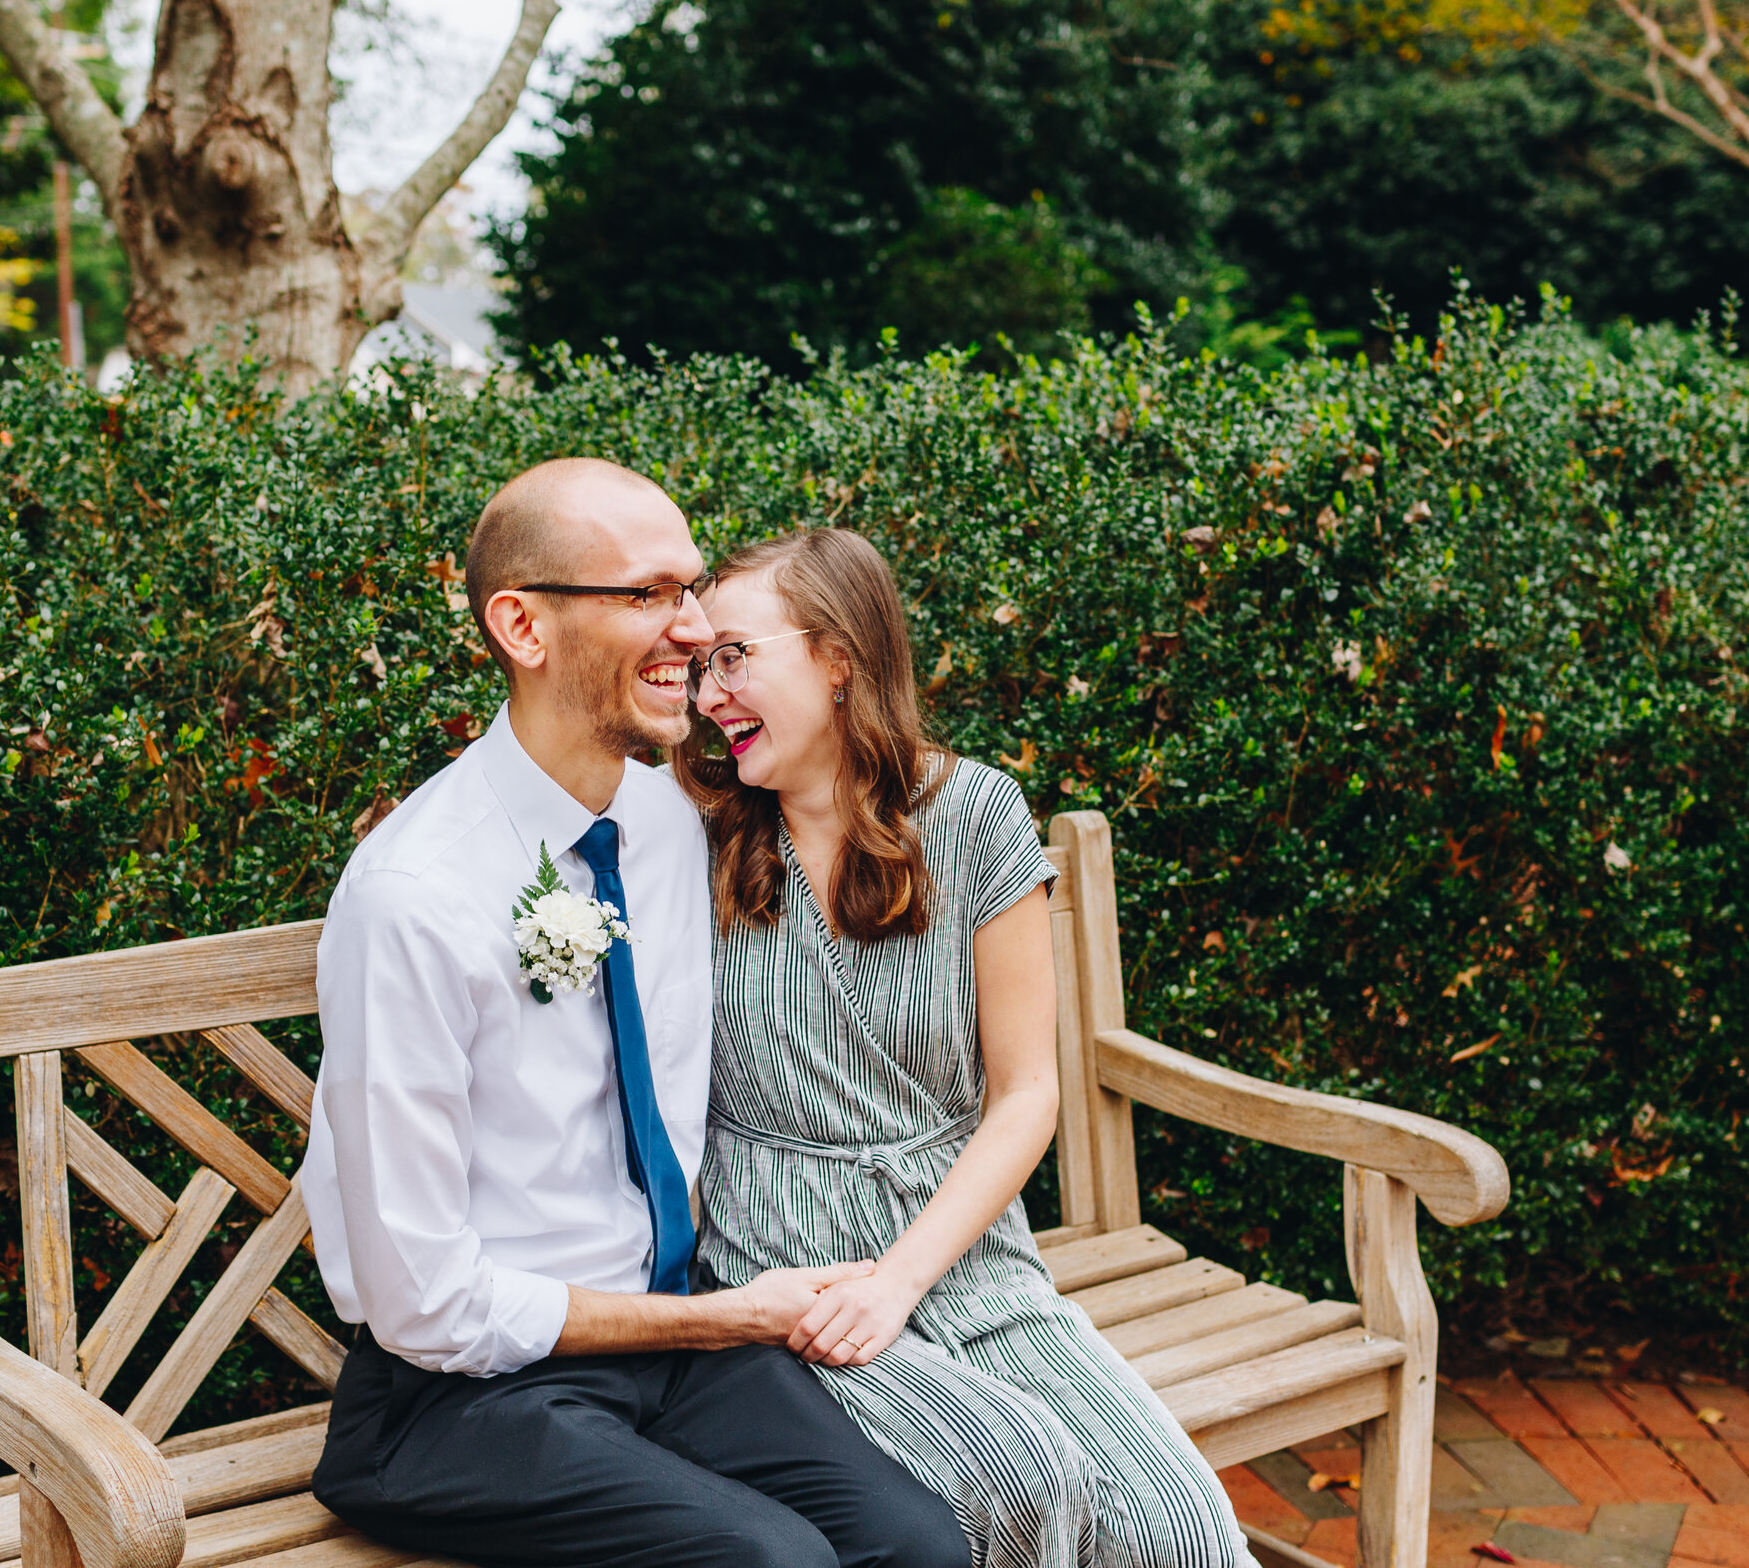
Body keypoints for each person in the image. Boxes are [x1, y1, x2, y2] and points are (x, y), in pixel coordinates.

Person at [298, 463, 968, 1568]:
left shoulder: (665, 824)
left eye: (694, 589)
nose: (697, 629)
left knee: (917, 1546)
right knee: (772, 1563)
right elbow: (424, 1301)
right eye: (651, 594)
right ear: (521, 623)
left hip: (673, 1342)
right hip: (457, 1397)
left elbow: (843, 805)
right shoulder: (411, 896)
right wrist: (727, 1315)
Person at [679, 527, 1249, 1568]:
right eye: (701, 662)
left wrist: (902, 1276)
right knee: (1019, 1478)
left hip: (964, 1247)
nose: (708, 689)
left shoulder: (976, 812)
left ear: (838, 656)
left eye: (734, 654)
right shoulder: (692, 834)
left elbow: (1028, 1088)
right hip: (784, 1255)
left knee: (1180, 1523)